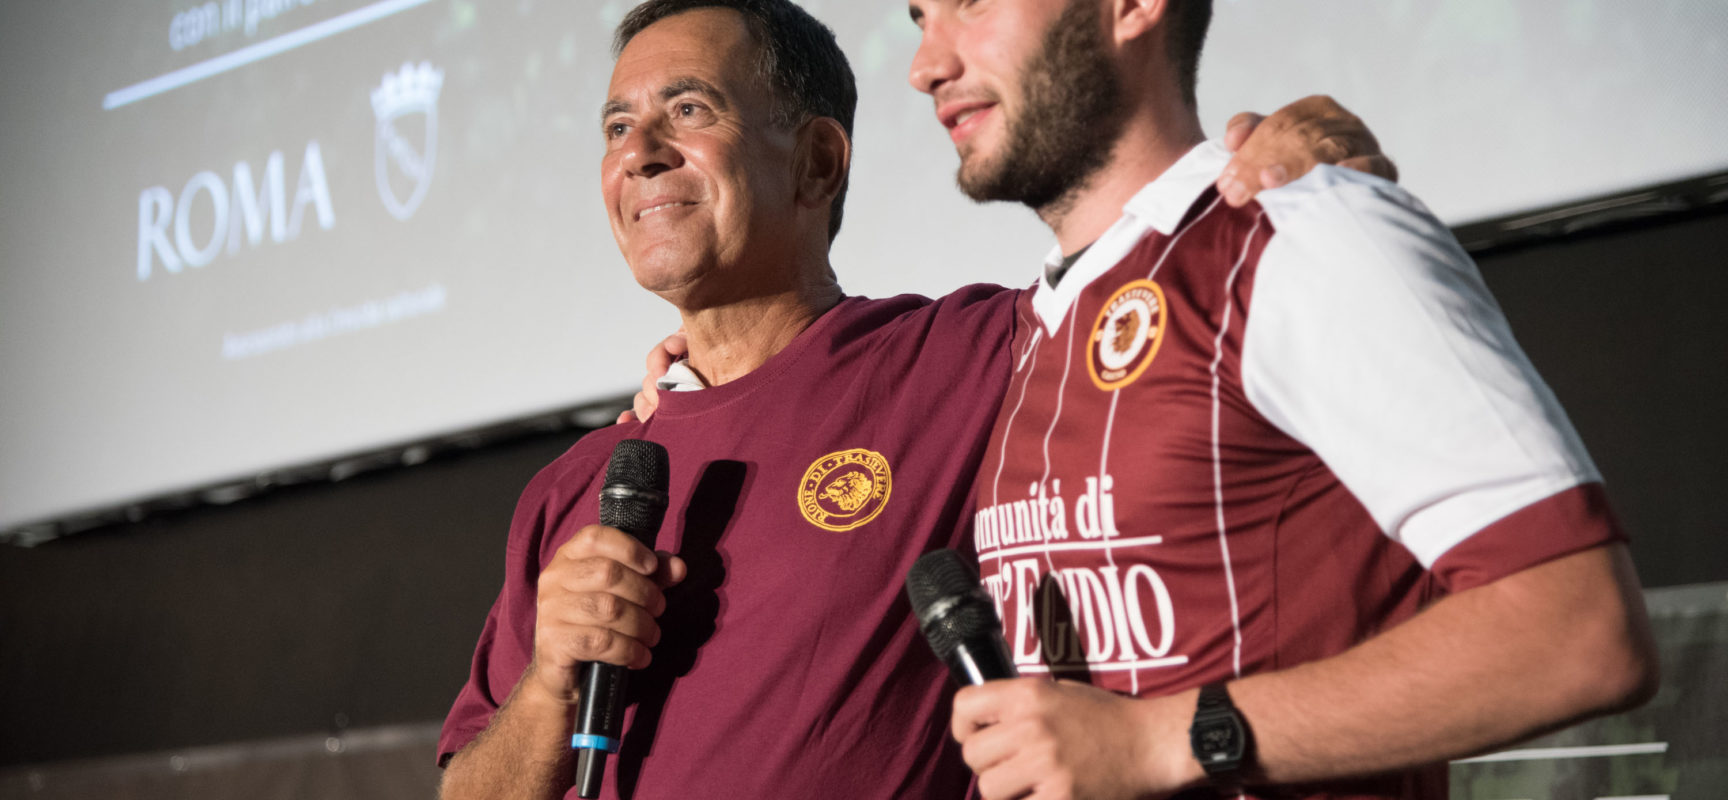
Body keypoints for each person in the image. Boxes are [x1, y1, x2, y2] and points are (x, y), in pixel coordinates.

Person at [437, 1, 1394, 798]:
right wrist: (548, 687)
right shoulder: (575, 491)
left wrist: (1296, 149)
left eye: (688, 110)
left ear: (818, 162)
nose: (639, 152)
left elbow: (1162, 289)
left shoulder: (975, 356)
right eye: (615, 127)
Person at [898, 0, 1660, 798]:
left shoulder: (1298, 231)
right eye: (918, 18)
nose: (925, 67)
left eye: (971, 2)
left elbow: (1580, 631)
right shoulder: (1021, 331)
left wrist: (1161, 738)